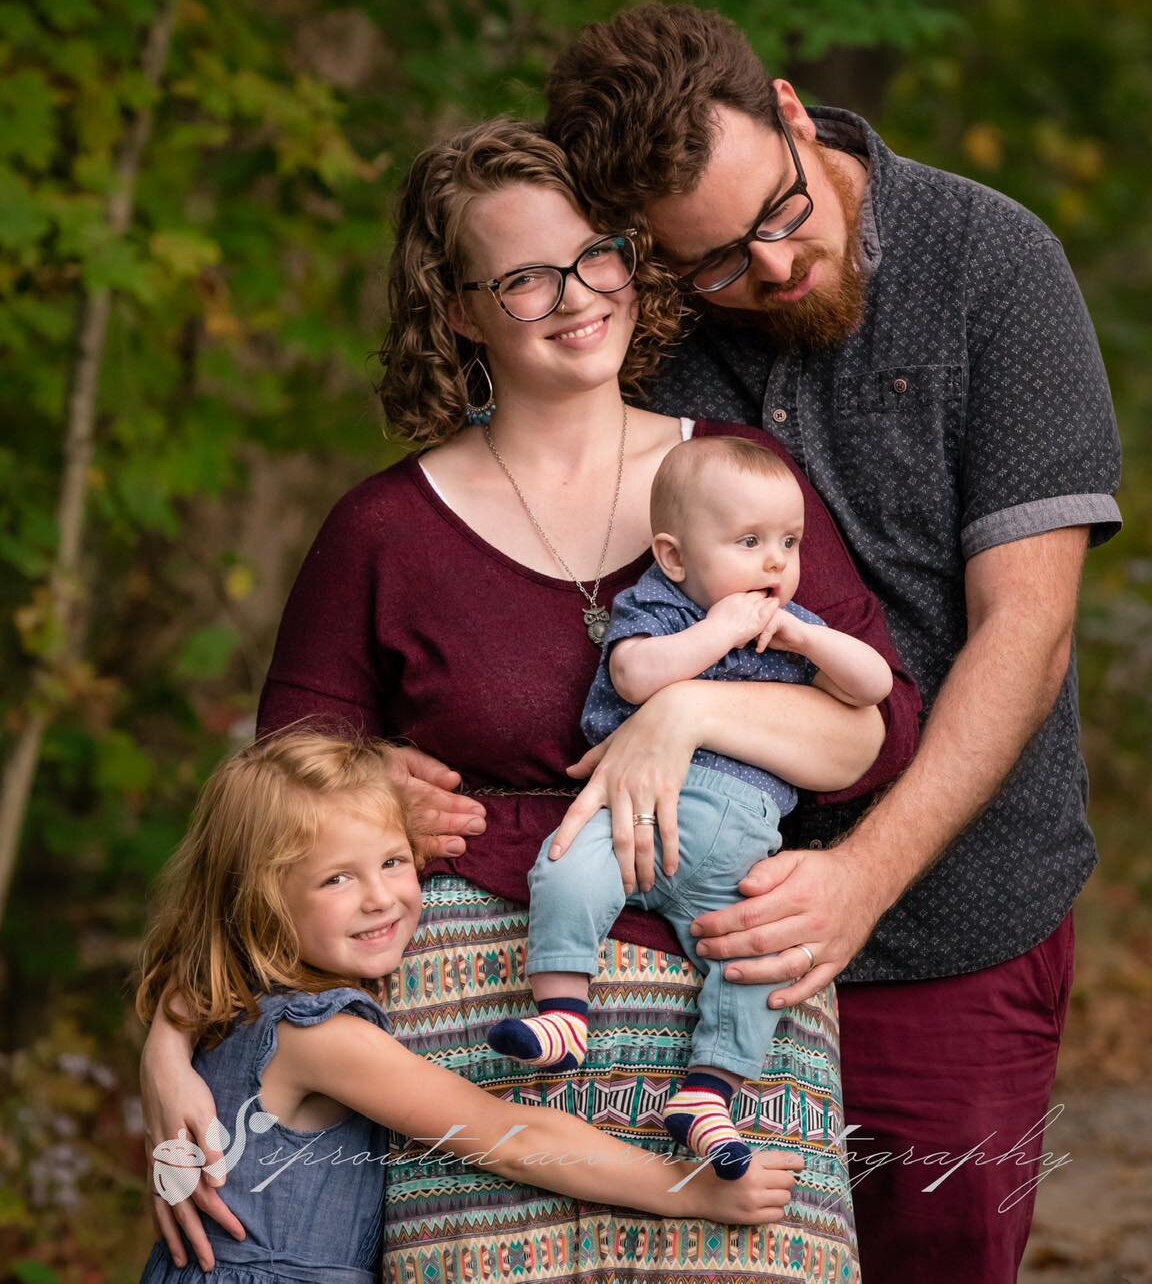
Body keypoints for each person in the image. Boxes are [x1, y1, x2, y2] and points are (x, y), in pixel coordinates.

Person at [140, 119, 922, 1284]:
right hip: (479, 1004)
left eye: (594, 253)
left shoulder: (737, 479)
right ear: (457, 310)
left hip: (730, 962)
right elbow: (273, 811)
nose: (574, 297)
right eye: (522, 278)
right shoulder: (384, 531)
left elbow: (878, 729)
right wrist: (165, 1040)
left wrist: (689, 715)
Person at [544, 2, 1123, 1283]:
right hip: (669, 932)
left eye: (782, 213)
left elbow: (1026, 633)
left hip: (950, 919)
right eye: (715, 262)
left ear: (794, 114)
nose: (772, 268)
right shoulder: (643, 329)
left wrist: (863, 879)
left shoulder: (993, 265)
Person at [135, 731, 800, 1283]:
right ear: (261, 900)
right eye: (336, 877)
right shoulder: (320, 1035)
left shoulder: (220, 998)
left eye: (394, 862)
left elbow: (184, 978)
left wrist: (161, 1047)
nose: (380, 897)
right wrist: (690, 1188)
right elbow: (515, 1140)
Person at [488, 436, 892, 1184]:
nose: (775, 562)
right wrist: (716, 635)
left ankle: (711, 1093)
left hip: (734, 850)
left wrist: (812, 637)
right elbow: (635, 674)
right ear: (675, 557)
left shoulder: (794, 621)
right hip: (632, 821)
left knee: (763, 961)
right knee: (565, 872)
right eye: (749, 543)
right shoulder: (661, 605)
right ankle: (564, 1013)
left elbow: (871, 689)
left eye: (789, 543)